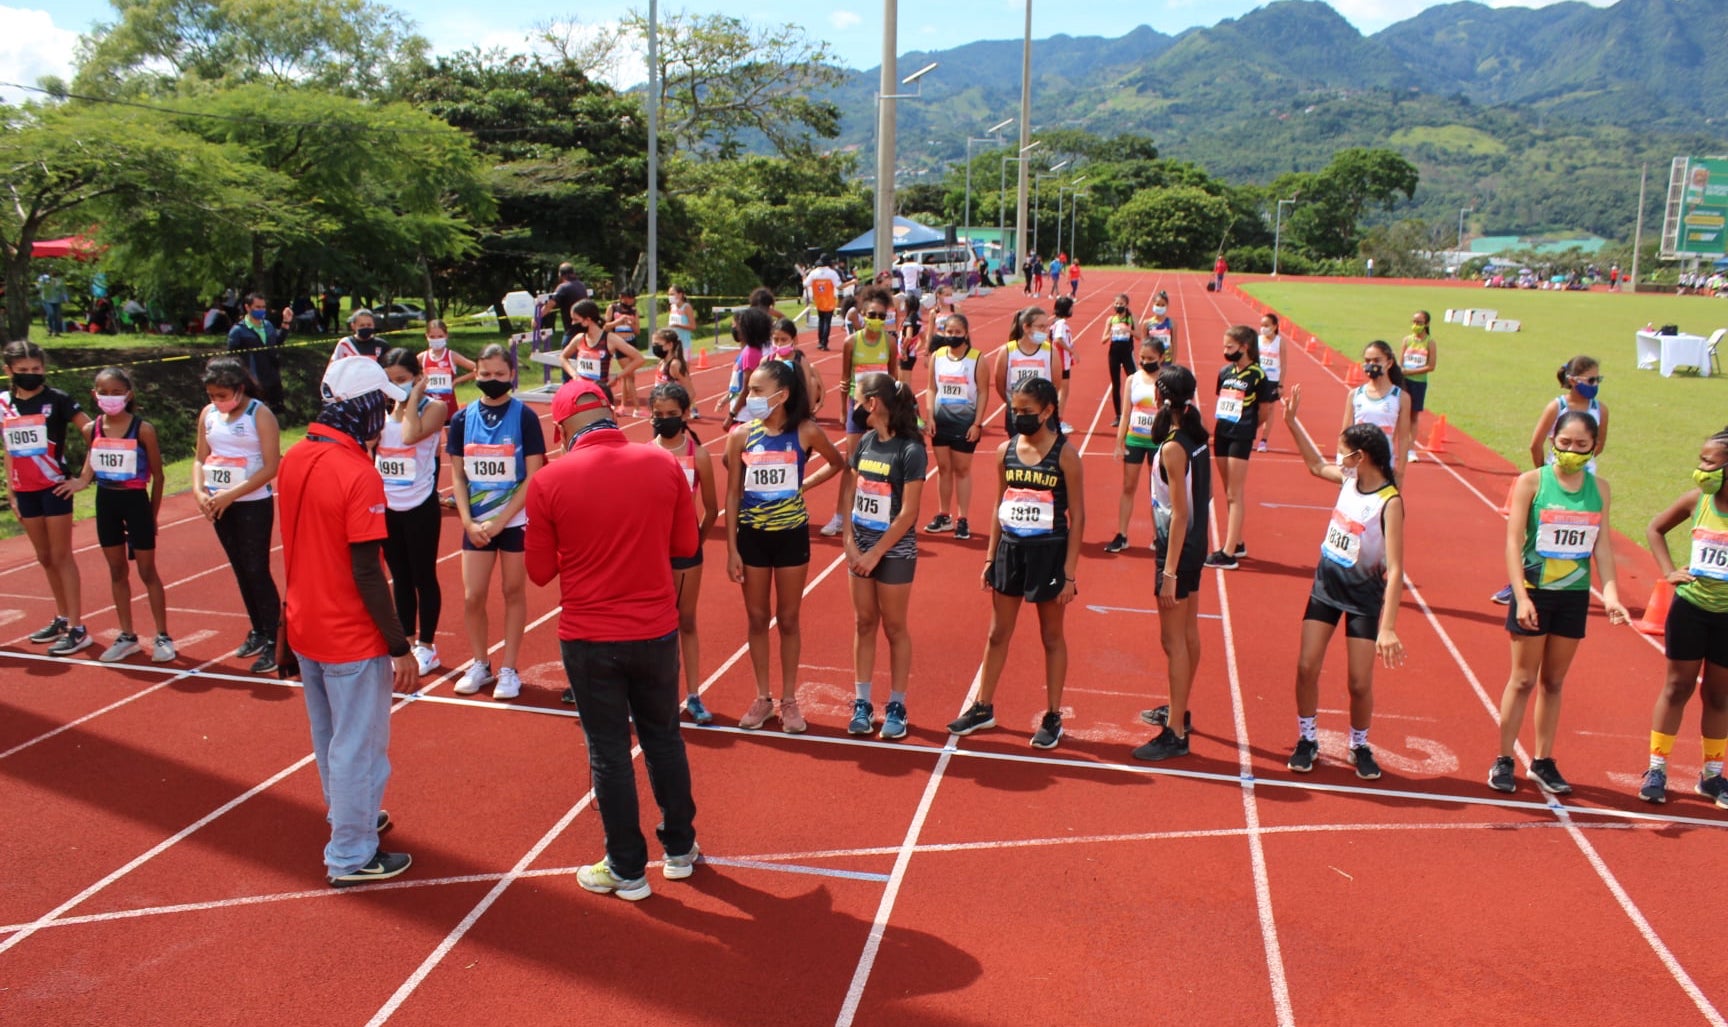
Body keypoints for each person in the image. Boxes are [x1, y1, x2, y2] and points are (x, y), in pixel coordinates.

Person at [526, 378, 700, 901]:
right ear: (613, 415)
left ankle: (626, 867)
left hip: (589, 634)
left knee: (607, 750)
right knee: (663, 737)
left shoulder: (549, 481)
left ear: (561, 431)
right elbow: (686, 545)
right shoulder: (663, 463)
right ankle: (680, 848)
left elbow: (537, 573)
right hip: (654, 628)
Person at [278, 356, 416, 887]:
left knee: (330, 736)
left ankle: (348, 815)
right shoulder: (358, 473)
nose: (384, 415)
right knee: (359, 746)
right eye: (380, 405)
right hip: (349, 633)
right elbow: (366, 569)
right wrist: (399, 643)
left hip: (305, 623)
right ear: (363, 408)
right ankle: (352, 853)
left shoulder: (296, 456)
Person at [1488, 410, 1629, 795]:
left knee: (1553, 681)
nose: (1571, 451)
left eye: (1581, 445)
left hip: (1574, 595)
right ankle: (1503, 759)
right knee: (1522, 679)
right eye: (1564, 443)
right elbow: (1513, 541)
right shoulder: (1532, 482)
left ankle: (1543, 761)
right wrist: (1520, 596)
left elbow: (1601, 546)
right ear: (1553, 441)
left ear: (1595, 447)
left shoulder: (1599, 488)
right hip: (1534, 591)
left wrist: (1612, 593)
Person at [1276, 386, 1407, 778]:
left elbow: (1397, 568)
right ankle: (1307, 738)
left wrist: (1388, 628)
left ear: (1360, 456)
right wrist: (1290, 422)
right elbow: (1316, 466)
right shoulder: (1349, 481)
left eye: (1344, 451)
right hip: (1326, 589)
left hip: (1364, 598)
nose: (1340, 458)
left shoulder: (1389, 502)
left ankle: (1359, 745)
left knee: (1358, 682)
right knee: (1305, 667)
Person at [948, 377, 1084, 749]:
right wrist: (990, 556)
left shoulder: (1065, 455)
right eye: (1015, 410)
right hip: (1010, 548)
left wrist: (1069, 573)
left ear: (1048, 411)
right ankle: (983, 707)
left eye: (1027, 411)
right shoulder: (1004, 450)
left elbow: (1079, 518)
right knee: (996, 633)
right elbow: (998, 505)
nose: (1019, 416)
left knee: (1051, 636)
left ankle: (1053, 715)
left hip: (1049, 552)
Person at [724, 359, 845, 732]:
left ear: (783, 394)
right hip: (752, 537)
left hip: (791, 534)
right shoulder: (741, 435)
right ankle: (763, 697)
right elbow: (731, 496)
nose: (751, 397)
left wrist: (803, 487)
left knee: (789, 619)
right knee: (758, 618)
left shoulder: (806, 432)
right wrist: (731, 549)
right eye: (750, 391)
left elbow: (837, 462)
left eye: (758, 392)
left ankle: (789, 700)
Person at [448, 344, 547, 700]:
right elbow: (458, 476)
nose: (492, 380)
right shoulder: (461, 419)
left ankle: (508, 667)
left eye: (499, 375)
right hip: (475, 521)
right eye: (485, 374)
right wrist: (469, 521)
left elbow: (534, 476)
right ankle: (479, 663)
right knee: (473, 596)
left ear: (511, 375)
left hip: (515, 519)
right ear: (475, 374)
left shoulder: (525, 417)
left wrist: (502, 520)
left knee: (512, 591)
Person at [56, 367, 173, 663]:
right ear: (94, 395)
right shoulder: (90, 429)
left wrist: (153, 514)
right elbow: (91, 462)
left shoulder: (143, 429)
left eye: (116, 392)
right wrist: (80, 480)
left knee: (147, 571)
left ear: (128, 394)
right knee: (117, 570)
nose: (110, 398)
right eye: (103, 393)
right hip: (106, 502)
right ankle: (127, 635)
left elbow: (158, 476)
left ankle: (162, 635)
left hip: (136, 502)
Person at [1640, 426, 1728, 807]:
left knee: (1720, 695)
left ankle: (1712, 777)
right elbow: (1656, 528)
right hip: (1690, 608)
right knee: (1678, 688)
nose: (1700, 468)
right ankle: (1657, 769)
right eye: (1701, 460)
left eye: (1709, 462)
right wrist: (1668, 570)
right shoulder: (1698, 501)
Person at [841, 374, 927, 740]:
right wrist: (849, 541)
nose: (854, 406)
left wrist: (876, 552)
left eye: (857, 399)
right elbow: (852, 492)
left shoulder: (910, 450)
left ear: (872, 403)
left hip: (892, 551)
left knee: (894, 628)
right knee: (863, 623)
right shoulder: (865, 444)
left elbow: (909, 513)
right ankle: (862, 702)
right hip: (860, 549)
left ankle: (896, 704)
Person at [1132, 365, 1212, 759]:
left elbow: (1179, 512)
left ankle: (1176, 732)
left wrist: (1167, 572)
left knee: (1172, 640)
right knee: (1189, 633)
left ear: (1161, 397)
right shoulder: (1196, 437)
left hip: (1177, 549)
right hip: (1194, 546)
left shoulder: (1173, 447)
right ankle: (1179, 708)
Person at [1493, 354, 1609, 605]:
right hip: (1552, 475)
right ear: (1572, 379)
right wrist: (1544, 476)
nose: (1595, 383)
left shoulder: (1601, 409)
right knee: (1538, 534)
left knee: (1580, 533)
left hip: (1585, 479)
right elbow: (1535, 443)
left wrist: (1580, 463)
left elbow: (1599, 444)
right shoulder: (1557, 406)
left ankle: (1570, 585)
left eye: (1598, 379)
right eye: (1590, 379)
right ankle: (1519, 584)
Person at [194, 357, 283, 673]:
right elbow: (199, 459)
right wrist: (200, 492)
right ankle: (258, 630)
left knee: (257, 569)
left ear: (240, 388)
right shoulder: (208, 415)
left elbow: (272, 466)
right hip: (219, 503)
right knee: (240, 569)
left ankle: (276, 638)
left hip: (252, 502)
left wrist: (233, 494)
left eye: (222, 395)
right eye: (212, 396)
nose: (217, 401)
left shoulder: (260, 414)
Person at [3, 341, 91, 655]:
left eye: (36, 369)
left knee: (61, 555)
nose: (31, 375)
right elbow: (9, 450)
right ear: (8, 371)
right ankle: (62, 616)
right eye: (23, 370)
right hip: (24, 492)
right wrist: (11, 492)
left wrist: (83, 478)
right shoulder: (3, 403)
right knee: (44, 557)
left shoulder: (58, 400)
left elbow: (95, 433)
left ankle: (78, 627)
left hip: (55, 487)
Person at [644, 383, 718, 724]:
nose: (665, 420)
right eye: (658, 415)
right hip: (649, 552)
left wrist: (695, 542)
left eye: (672, 415)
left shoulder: (697, 454)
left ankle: (693, 695)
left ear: (685, 414)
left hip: (685, 553)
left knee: (685, 622)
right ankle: (655, 694)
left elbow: (713, 509)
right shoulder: (644, 454)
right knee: (651, 625)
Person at [376, 349, 449, 678]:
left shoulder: (433, 407)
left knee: (423, 577)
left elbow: (408, 435)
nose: (395, 387)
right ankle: (405, 640)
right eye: (389, 382)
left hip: (420, 504)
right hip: (388, 506)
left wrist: (414, 395)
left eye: (402, 380)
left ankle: (427, 646)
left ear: (417, 376)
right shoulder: (379, 411)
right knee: (400, 578)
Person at [823, 286, 898, 537]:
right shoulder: (851, 342)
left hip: (883, 410)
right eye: (871, 315)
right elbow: (845, 379)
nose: (875, 320)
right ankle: (840, 517)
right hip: (857, 407)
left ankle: (885, 514)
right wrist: (843, 411)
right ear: (862, 315)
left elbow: (894, 378)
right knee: (851, 463)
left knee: (886, 463)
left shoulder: (890, 342)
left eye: (880, 316)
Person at [1204, 325, 1268, 570]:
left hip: (1241, 434)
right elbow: (1222, 400)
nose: (1225, 351)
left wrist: (1249, 427)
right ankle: (1238, 542)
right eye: (1224, 346)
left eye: (1230, 347)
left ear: (1245, 347)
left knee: (1234, 492)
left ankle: (1228, 552)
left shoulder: (1258, 375)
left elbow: (1265, 410)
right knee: (1227, 489)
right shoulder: (1224, 372)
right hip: (1222, 432)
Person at [922, 313, 985, 540]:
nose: (954, 336)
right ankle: (943, 515)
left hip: (965, 422)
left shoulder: (977, 358)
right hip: (941, 421)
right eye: (949, 332)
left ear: (966, 333)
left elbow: (983, 391)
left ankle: (962, 518)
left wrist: (977, 423)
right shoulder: (937, 356)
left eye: (958, 332)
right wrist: (929, 416)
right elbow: (931, 388)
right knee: (943, 468)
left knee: (962, 470)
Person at [1106, 335, 1168, 553]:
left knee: (1157, 491)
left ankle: (1158, 536)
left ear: (1161, 358)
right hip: (1135, 439)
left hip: (1158, 442)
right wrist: (1119, 442)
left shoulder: (1167, 379)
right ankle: (1122, 535)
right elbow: (1125, 414)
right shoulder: (1133, 379)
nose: (1144, 361)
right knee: (1128, 487)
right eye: (1142, 357)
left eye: (1150, 357)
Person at [560, 299, 645, 418]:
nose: (573, 323)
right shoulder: (579, 338)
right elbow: (563, 357)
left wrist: (618, 376)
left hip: (600, 396)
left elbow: (639, 358)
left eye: (575, 320)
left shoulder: (609, 339)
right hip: (580, 394)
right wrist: (574, 374)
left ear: (587, 320)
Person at [1343, 340, 1411, 485]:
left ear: (1389, 363)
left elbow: (1404, 438)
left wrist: (1401, 472)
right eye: (1367, 360)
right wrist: (1344, 464)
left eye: (1376, 360)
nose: (1371, 364)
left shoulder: (1401, 397)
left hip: (1384, 467)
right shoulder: (1355, 395)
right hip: (1357, 466)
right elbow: (1344, 434)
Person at [994, 306, 1060, 437]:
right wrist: (1015, 403)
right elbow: (1000, 384)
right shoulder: (1007, 351)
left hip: (1042, 414)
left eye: (1046, 327)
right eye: (1040, 327)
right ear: (1026, 327)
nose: (1045, 331)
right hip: (1016, 413)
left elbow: (1056, 384)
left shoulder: (1051, 351)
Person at [225, 293, 294, 408]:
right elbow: (231, 358)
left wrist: (286, 323)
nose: (261, 310)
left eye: (263, 307)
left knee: (274, 412)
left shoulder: (268, 326)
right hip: (253, 382)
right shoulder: (238, 331)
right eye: (258, 307)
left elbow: (277, 342)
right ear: (247, 307)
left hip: (272, 379)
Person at [718, 306, 771, 425]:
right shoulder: (748, 351)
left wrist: (731, 415)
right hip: (743, 413)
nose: (735, 328)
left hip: (745, 415)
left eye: (738, 325)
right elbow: (739, 384)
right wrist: (728, 397)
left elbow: (747, 387)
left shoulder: (750, 353)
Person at [1398, 310, 1436, 463]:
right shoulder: (1407, 340)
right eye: (1414, 322)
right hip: (1404, 381)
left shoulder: (1430, 342)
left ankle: (1411, 449)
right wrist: (1401, 372)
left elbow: (1431, 366)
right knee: (1399, 414)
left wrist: (1411, 371)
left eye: (1419, 323)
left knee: (1413, 416)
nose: (1416, 325)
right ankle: (1396, 447)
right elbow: (1400, 362)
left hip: (1418, 382)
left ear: (1426, 324)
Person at [771, 317, 824, 418]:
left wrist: (808, 412)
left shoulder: (801, 361)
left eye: (784, 339)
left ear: (794, 339)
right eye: (775, 340)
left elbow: (808, 387)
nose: (779, 344)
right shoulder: (767, 360)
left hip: (794, 411)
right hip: (773, 410)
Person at [1101, 293, 1141, 427]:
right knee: (1116, 384)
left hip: (1127, 353)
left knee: (1134, 382)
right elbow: (1103, 340)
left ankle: (1135, 412)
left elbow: (1139, 336)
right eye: (1116, 304)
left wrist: (1128, 330)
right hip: (1113, 354)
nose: (1118, 306)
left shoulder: (1131, 317)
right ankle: (1118, 415)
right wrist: (1111, 332)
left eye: (1121, 304)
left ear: (1126, 305)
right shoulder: (1111, 319)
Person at [419, 319, 475, 411]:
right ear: (426, 336)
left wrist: (456, 381)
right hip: (428, 408)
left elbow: (478, 369)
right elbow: (408, 372)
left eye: (440, 336)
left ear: (446, 336)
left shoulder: (452, 356)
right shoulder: (422, 357)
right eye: (432, 337)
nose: (436, 340)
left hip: (449, 407)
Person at [1253, 313, 1285, 453]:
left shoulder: (1280, 342)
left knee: (1270, 410)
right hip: (1257, 379)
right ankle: (1249, 435)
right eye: (1262, 325)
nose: (1263, 328)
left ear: (1275, 326)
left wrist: (1280, 385)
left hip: (1272, 380)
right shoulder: (1258, 340)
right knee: (1254, 408)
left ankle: (1263, 441)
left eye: (1266, 325)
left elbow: (1283, 364)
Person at [541, 262, 590, 346]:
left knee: (566, 352)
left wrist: (537, 317)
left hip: (572, 328)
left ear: (560, 274)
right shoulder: (581, 285)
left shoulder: (563, 287)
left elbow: (550, 305)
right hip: (585, 326)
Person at [1050, 295, 1078, 434]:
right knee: (1063, 392)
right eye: (1071, 307)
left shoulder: (1056, 322)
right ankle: (1057, 421)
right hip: (1061, 362)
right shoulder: (1061, 324)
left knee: (1060, 391)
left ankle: (1055, 420)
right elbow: (1058, 339)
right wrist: (1072, 351)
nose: (1073, 310)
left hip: (1060, 361)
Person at [804, 257, 843, 351]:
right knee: (827, 322)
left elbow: (805, 284)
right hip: (829, 301)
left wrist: (804, 278)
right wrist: (851, 282)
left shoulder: (813, 273)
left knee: (821, 321)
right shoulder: (832, 273)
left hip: (819, 300)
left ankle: (820, 342)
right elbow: (839, 286)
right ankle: (824, 343)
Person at [1143, 290, 1178, 363]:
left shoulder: (1172, 323)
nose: (1160, 307)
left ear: (1167, 306)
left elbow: (1174, 344)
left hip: (1166, 360)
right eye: (1158, 304)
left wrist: (1173, 362)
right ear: (1153, 304)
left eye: (1163, 305)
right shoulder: (1146, 323)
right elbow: (1144, 345)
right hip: (1152, 361)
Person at [666, 284, 697, 353]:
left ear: (680, 295)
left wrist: (678, 325)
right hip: (673, 343)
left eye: (672, 294)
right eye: (669, 295)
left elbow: (693, 326)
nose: (670, 297)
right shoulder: (672, 307)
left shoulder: (686, 307)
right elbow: (671, 324)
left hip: (684, 344)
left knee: (683, 363)